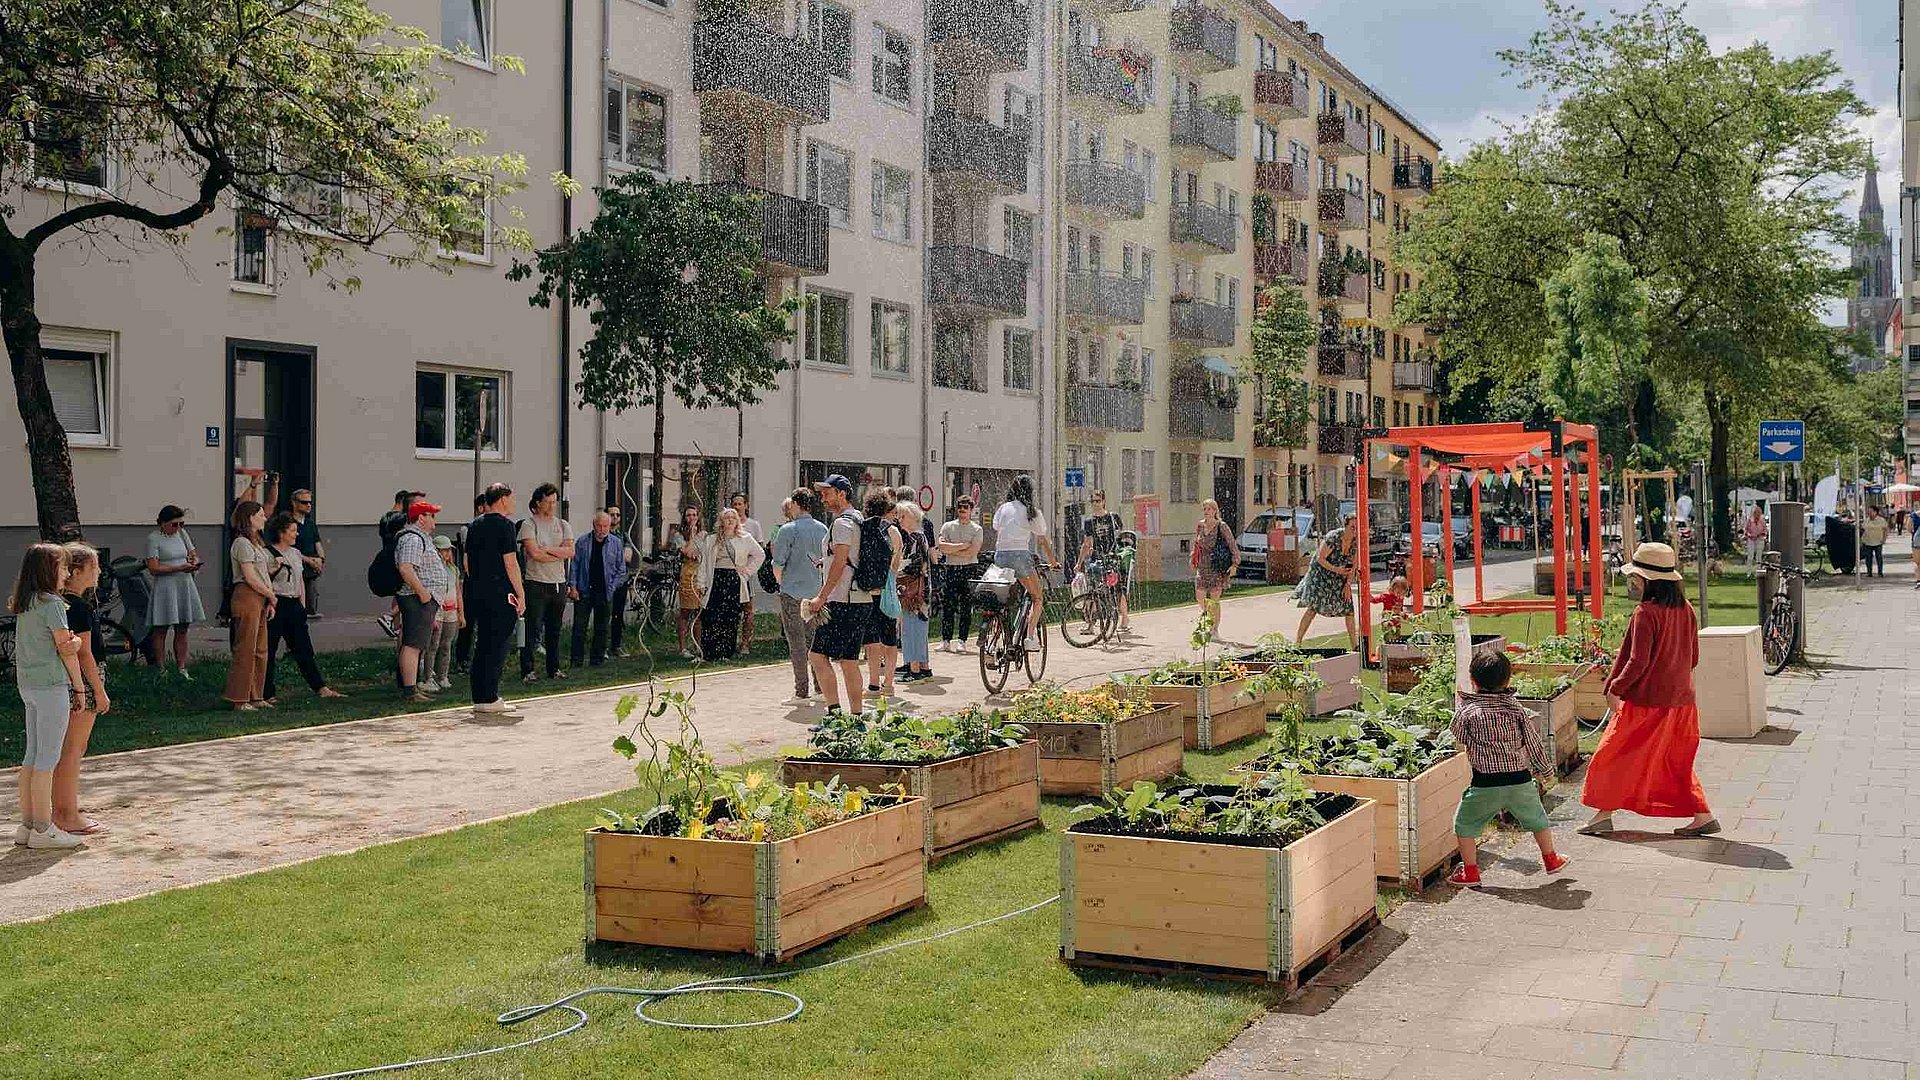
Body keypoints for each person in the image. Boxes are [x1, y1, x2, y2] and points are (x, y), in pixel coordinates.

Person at [1579, 541, 1717, 837]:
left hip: (1647, 703)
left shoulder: (1646, 613)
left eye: (1636, 576)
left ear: (1647, 580)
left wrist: (1614, 688)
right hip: (1682, 703)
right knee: (1674, 761)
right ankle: (1702, 814)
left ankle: (1603, 815)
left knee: (1612, 755)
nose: (1634, 580)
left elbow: (1637, 661)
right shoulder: (1687, 609)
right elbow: (1693, 657)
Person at [1446, 621, 1568, 887]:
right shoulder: (1516, 710)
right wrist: (1546, 772)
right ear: (1508, 680)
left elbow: (1457, 735)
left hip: (1485, 783)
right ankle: (1551, 859)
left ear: (1473, 681)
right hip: (1520, 780)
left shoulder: (1467, 712)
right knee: (1537, 820)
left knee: (1463, 825)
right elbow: (1533, 743)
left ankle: (1471, 872)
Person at [11, 543, 85, 849]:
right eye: (63, 567)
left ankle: (28, 825)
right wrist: (79, 687)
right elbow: (66, 649)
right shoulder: (53, 604)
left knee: (33, 754)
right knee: (47, 757)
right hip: (51, 685)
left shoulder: (25, 602)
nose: (67, 573)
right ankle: (43, 828)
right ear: (48, 570)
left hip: (28, 685)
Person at [54, 542, 110, 836]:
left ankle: (61, 807)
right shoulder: (78, 606)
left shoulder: (57, 602)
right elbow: (85, 653)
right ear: (76, 571)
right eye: (93, 567)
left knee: (67, 749)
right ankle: (66, 813)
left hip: (65, 681)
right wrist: (98, 691)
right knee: (73, 749)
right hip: (83, 682)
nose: (98, 572)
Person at [262, 513, 343, 704]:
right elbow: (265, 580)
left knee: (304, 648)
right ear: (281, 533)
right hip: (276, 603)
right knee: (270, 649)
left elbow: (299, 581)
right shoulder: (267, 554)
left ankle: (320, 686)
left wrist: (302, 605)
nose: (296, 534)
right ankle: (267, 692)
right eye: (292, 531)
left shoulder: (296, 553)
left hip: (294, 604)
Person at [806, 475, 870, 715]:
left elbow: (842, 560)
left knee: (817, 656)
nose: (822, 497)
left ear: (841, 494)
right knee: (849, 661)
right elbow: (848, 557)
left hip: (842, 600)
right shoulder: (859, 519)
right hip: (860, 599)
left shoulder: (842, 523)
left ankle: (834, 715)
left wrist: (821, 596)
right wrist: (828, 560)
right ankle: (856, 717)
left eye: (827, 492)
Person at [465, 483, 526, 714]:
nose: (513, 503)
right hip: (501, 592)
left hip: (478, 592)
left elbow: (467, 564)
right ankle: (490, 697)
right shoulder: (505, 526)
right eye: (511, 498)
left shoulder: (474, 525)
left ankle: (480, 696)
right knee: (497, 644)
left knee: (482, 644)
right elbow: (511, 563)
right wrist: (520, 593)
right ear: (502, 499)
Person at [771, 488, 827, 704]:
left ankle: (801, 691)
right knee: (815, 642)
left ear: (795, 504)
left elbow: (778, 564)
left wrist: (782, 582)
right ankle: (820, 688)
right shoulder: (822, 528)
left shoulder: (788, 529)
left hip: (792, 592)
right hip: (815, 592)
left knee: (796, 642)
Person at [517, 483, 574, 683]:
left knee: (554, 629)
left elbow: (570, 552)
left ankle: (554, 667)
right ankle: (527, 669)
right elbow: (534, 553)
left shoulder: (563, 524)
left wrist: (547, 550)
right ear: (538, 502)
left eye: (554, 502)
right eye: (547, 502)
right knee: (532, 629)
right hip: (536, 582)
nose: (551, 506)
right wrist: (556, 552)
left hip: (558, 582)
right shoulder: (529, 524)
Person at [991, 475, 1057, 648]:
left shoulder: (1003, 508)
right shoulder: (1031, 511)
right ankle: (1029, 637)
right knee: (1037, 597)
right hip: (1020, 557)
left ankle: (995, 641)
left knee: (1001, 600)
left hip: (1000, 556)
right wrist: (1052, 561)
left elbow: (997, 527)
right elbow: (1042, 538)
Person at [393, 500, 448, 703]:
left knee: (416, 644)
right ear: (421, 518)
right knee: (413, 645)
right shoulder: (413, 539)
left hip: (421, 599)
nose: (434, 520)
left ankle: (412, 687)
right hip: (417, 599)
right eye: (431, 515)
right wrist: (424, 594)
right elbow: (406, 568)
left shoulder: (420, 538)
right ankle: (410, 691)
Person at [223, 500, 275, 711]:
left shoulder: (256, 544)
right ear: (250, 518)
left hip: (260, 598)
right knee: (245, 648)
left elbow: (262, 574)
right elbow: (250, 576)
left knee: (260, 649)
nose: (264, 518)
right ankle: (239, 698)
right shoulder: (242, 543)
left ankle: (256, 695)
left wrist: (269, 599)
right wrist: (271, 595)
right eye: (261, 514)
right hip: (247, 596)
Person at [143, 504, 205, 677]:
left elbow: (193, 553)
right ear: (162, 523)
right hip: (166, 587)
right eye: (174, 524)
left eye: (181, 524)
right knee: (161, 628)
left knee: (183, 627)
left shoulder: (182, 534)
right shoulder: (153, 538)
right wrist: (178, 568)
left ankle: (182, 667)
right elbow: (153, 568)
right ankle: (161, 668)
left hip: (184, 583)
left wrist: (194, 561)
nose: (178, 528)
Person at [696, 507, 764, 662]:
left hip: (733, 579)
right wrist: (701, 582)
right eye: (727, 518)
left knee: (730, 616)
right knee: (711, 615)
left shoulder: (745, 538)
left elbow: (760, 555)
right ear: (721, 521)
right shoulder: (711, 539)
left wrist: (746, 572)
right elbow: (704, 562)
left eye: (733, 518)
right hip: (715, 578)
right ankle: (709, 652)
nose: (730, 520)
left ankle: (726, 652)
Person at [568, 511, 627, 668]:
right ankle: (576, 660)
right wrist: (572, 587)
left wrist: (612, 587)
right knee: (579, 627)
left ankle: (597, 659)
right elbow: (574, 566)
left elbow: (621, 570)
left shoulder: (616, 543)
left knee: (602, 628)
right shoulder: (582, 542)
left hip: (605, 590)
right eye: (599, 526)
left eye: (605, 526)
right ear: (594, 526)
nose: (602, 529)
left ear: (610, 526)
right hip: (584, 589)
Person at [1293, 514, 1359, 649]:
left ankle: (1355, 645)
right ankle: (1298, 642)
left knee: (1349, 609)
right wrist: (1337, 569)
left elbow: (1354, 565)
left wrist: (1347, 584)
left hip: (1339, 574)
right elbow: (1320, 558)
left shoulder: (1356, 542)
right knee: (1313, 608)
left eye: (1357, 528)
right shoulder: (1333, 537)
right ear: (1345, 526)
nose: (1355, 531)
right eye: (1352, 527)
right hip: (1321, 573)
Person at [864, 492, 906, 696]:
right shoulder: (894, 533)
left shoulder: (863, 528)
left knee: (872, 641)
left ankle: (872, 684)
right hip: (887, 590)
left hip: (866, 592)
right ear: (886, 512)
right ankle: (888, 684)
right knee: (889, 641)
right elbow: (895, 566)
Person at [1078, 490, 1132, 634]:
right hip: (1097, 560)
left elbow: (1121, 538)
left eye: (1098, 500)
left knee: (1118, 590)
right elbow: (1087, 543)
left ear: (1103, 501)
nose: (1095, 504)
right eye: (1093, 501)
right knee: (1092, 592)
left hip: (1113, 560)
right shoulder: (1089, 521)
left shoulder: (1113, 517)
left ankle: (1125, 619)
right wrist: (1079, 562)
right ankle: (1090, 625)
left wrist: (1124, 554)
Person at [935, 496, 985, 652]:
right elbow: (942, 548)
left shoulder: (977, 529)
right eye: (960, 507)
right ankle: (946, 640)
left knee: (965, 606)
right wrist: (962, 546)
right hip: (951, 569)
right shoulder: (948, 526)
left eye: (966, 507)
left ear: (971, 509)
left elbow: (973, 551)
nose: (962, 510)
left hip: (969, 569)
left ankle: (962, 640)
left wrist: (954, 549)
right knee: (948, 605)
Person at [376, 490, 424, 639]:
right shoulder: (401, 519)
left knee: (398, 592)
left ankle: (394, 624)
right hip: (401, 557)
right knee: (404, 591)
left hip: (388, 555)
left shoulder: (385, 517)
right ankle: (392, 620)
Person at [1189, 498, 1238, 641]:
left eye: (1209, 509)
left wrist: (1235, 563)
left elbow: (1231, 544)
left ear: (1215, 510)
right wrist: (1193, 558)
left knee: (1214, 600)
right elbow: (1196, 544)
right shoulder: (1200, 525)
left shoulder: (1221, 526)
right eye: (1204, 509)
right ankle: (1209, 617)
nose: (1206, 512)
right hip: (1202, 567)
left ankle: (1214, 629)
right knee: (1200, 596)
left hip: (1216, 566)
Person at [895, 502, 933, 682]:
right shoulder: (920, 537)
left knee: (910, 629)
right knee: (919, 628)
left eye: (903, 516)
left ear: (913, 517)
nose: (900, 520)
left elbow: (913, 566)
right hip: (922, 591)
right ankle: (923, 666)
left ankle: (914, 668)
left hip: (914, 592)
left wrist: (896, 570)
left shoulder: (915, 538)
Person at [452, 493, 488, 674]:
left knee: (486, 624)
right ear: (481, 508)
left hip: (489, 582)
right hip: (473, 582)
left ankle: (480, 659)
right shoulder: (469, 528)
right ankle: (462, 659)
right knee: (468, 623)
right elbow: (469, 554)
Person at [422, 536, 462, 691]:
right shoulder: (433, 570)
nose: (446, 553)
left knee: (446, 645)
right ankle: (428, 677)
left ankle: (443, 676)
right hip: (438, 610)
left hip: (451, 611)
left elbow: (458, 592)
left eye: (448, 550)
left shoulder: (454, 570)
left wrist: (461, 613)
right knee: (433, 644)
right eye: (443, 550)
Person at [668, 504, 706, 659]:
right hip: (686, 573)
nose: (691, 518)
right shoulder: (678, 535)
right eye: (688, 515)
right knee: (685, 611)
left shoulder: (703, 534)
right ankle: (682, 647)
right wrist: (691, 535)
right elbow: (689, 553)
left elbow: (702, 555)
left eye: (694, 515)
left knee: (699, 612)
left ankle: (698, 645)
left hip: (700, 574)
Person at [606, 504, 637, 658]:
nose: (615, 518)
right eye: (612, 514)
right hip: (605, 580)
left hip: (621, 580)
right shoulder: (601, 534)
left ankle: (616, 645)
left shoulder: (623, 535)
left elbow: (627, 557)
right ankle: (602, 646)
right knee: (604, 613)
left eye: (617, 515)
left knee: (618, 614)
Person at [287, 488, 325, 617]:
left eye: (310, 502)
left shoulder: (310, 524)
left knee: (311, 604)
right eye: (304, 502)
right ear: (294, 503)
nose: (308, 505)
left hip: (310, 571)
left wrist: (320, 560)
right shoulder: (288, 523)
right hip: (294, 570)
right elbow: (287, 548)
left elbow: (317, 543)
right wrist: (309, 560)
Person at [1860, 505, 1888, 577]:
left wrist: (1884, 539)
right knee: (1868, 558)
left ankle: (1880, 572)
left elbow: (1885, 530)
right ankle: (1869, 572)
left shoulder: (1881, 520)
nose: (1869, 513)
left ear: (1875, 512)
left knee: (1879, 557)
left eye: (1871, 511)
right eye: (1868, 511)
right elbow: (1862, 530)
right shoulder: (1866, 520)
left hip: (1878, 541)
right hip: (1867, 542)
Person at [1742, 504, 1768, 570]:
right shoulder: (1749, 521)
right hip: (1751, 539)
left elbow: (1765, 531)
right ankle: (1749, 571)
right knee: (1750, 556)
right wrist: (1749, 535)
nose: (1758, 514)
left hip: (1760, 539)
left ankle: (1758, 571)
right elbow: (1746, 530)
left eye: (1759, 513)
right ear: (1754, 513)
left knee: (1759, 556)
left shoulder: (1762, 521)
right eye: (1757, 513)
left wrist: (1761, 534)